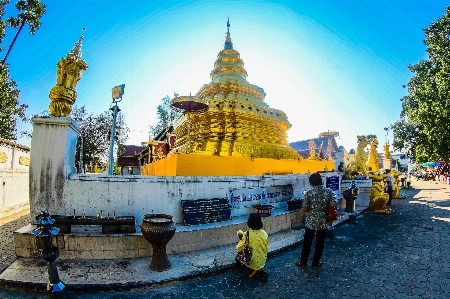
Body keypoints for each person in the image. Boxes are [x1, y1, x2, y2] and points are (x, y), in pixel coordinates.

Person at [296, 172, 337, 268]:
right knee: (320, 243)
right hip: (323, 221)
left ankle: (303, 262)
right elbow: (333, 205)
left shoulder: (309, 193)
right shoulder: (329, 192)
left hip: (311, 222)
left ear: (312, 183)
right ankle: (315, 263)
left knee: (307, 242)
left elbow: (305, 208)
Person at [236, 213, 269, 280]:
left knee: (237, 259)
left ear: (249, 222)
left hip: (253, 262)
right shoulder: (264, 233)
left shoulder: (247, 234)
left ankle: (252, 271)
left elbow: (238, 248)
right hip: (263, 260)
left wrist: (240, 235)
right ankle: (259, 269)